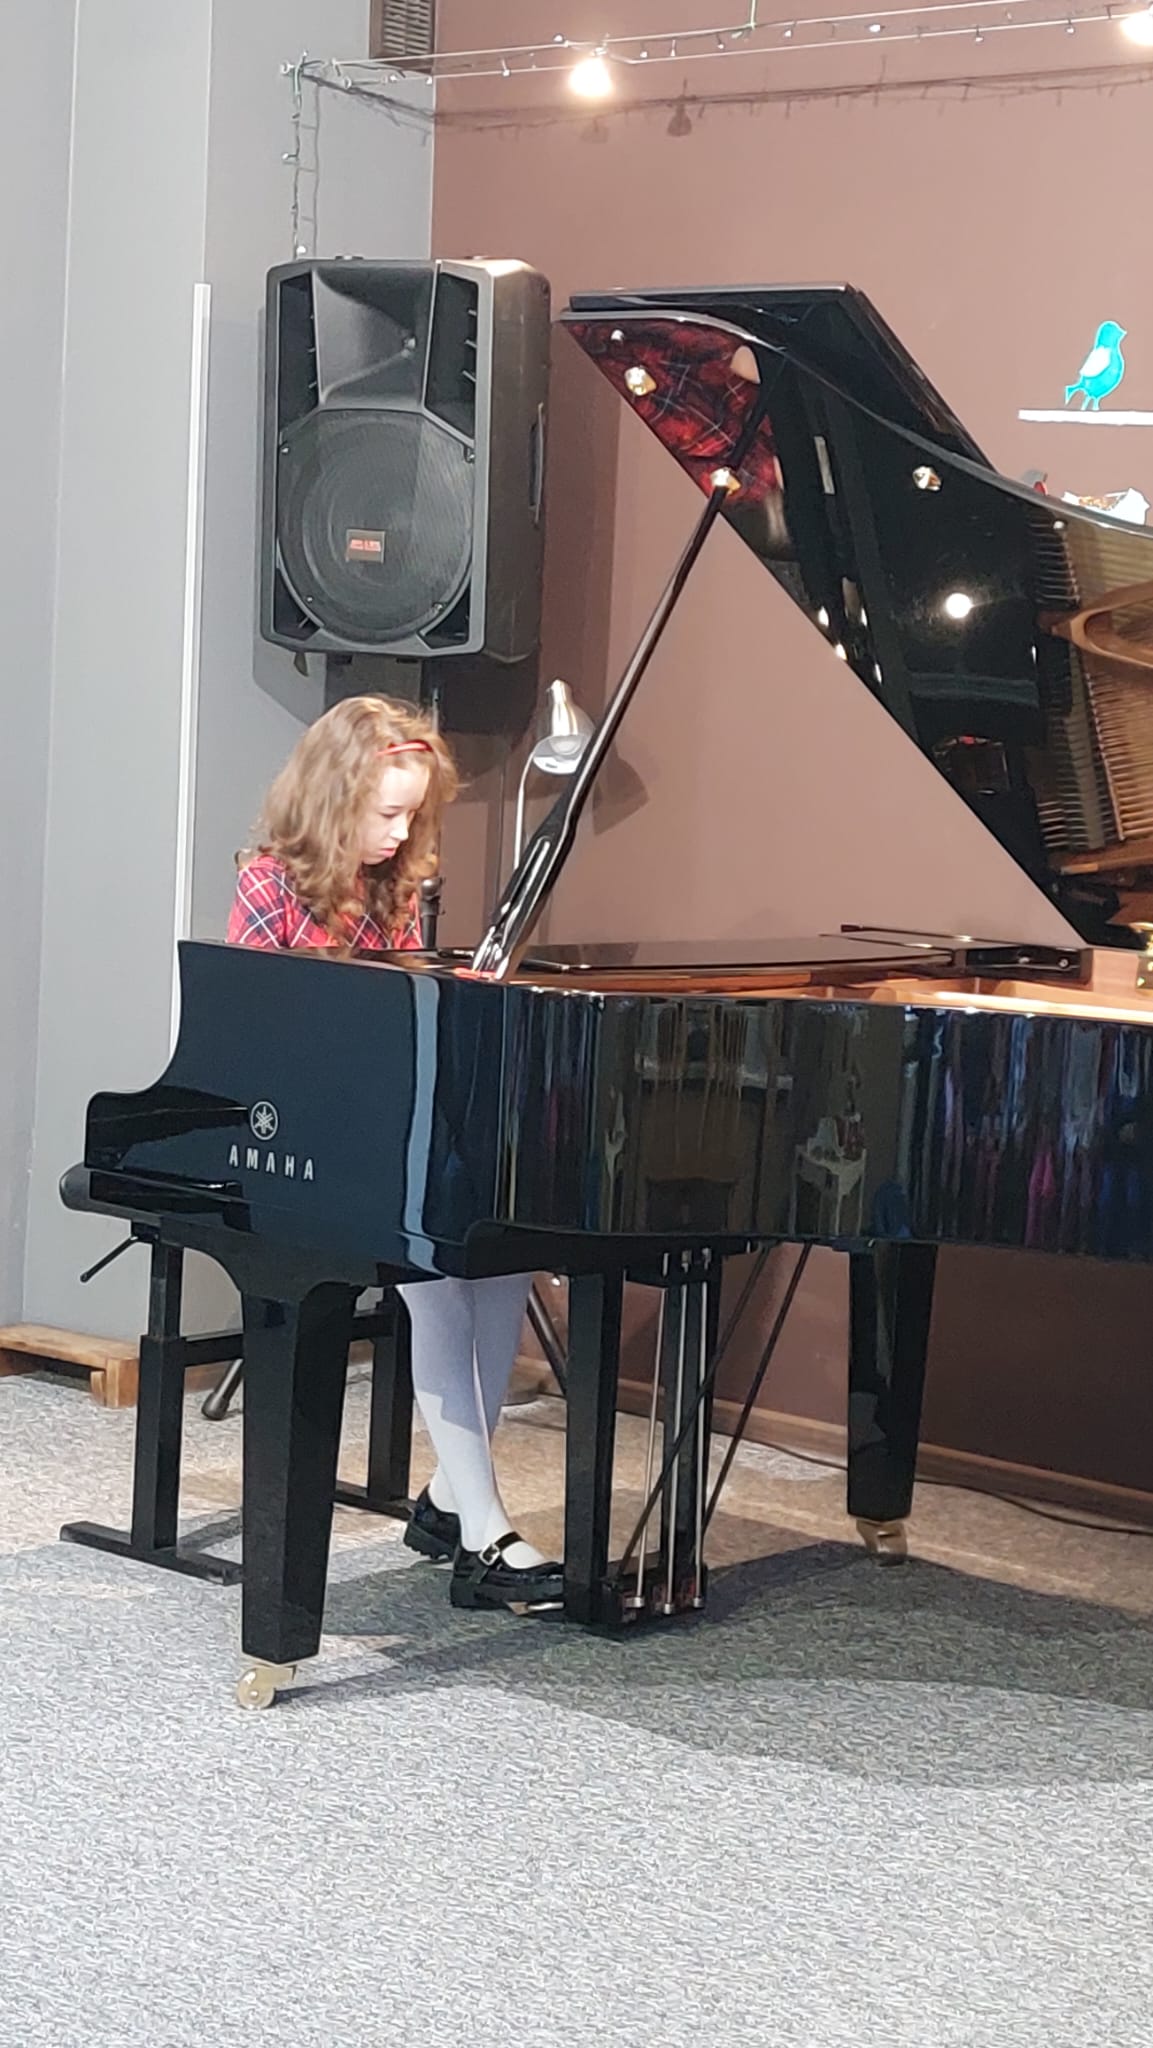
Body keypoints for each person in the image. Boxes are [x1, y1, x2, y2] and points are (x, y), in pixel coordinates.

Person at [227, 693, 563, 1613]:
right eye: (385, 814)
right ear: (332, 800)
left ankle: (453, 1497)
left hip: (383, 1122)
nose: (400, 833)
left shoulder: (396, 890)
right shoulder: (268, 884)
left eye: (412, 815)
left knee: (502, 1255)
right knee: (437, 1274)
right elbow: (258, 1039)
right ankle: (482, 1531)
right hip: (307, 1136)